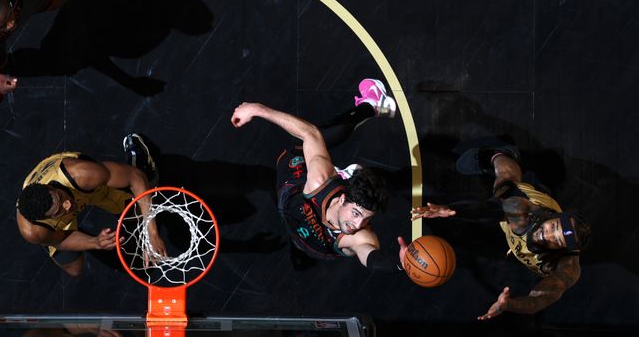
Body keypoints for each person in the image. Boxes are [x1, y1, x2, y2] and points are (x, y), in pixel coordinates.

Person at [230, 78, 408, 272]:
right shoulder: (319, 182)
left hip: (304, 233)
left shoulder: (359, 236)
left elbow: (371, 257)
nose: (357, 224)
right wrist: (257, 109)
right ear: (341, 199)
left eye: (366, 219)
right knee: (307, 144)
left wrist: (399, 263)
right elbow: (310, 133)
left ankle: (350, 175)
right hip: (296, 184)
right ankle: (372, 105)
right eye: (356, 214)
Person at [411, 145, 591, 319]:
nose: (548, 235)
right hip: (521, 204)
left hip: (520, 239)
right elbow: (485, 209)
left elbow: (539, 300)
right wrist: (449, 210)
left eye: (557, 241)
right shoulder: (521, 212)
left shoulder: (567, 268)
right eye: (553, 227)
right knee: (504, 183)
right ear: (552, 218)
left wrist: (509, 305)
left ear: (561, 249)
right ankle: (497, 154)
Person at [16, 133, 163, 277]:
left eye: (60, 198)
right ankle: (68, 228)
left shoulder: (82, 174)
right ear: (44, 219)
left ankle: (139, 159)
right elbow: (60, 241)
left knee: (138, 210)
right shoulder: (34, 232)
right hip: (57, 223)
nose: (67, 205)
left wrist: (152, 232)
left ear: (50, 188)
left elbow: (135, 177)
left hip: (84, 190)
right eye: (58, 210)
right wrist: (95, 242)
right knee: (74, 269)